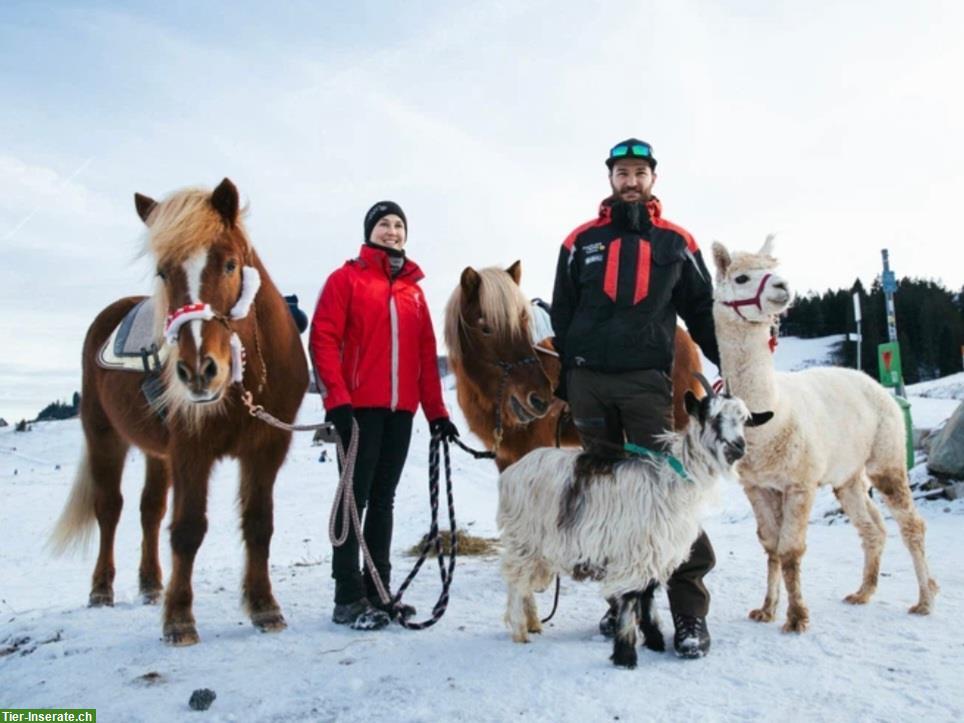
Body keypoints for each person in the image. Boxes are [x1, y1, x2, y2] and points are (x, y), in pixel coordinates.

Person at [550, 139, 721, 658]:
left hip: (647, 384)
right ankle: (622, 601)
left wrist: (730, 366)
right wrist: (569, 378)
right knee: (606, 500)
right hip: (589, 387)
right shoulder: (580, 240)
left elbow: (702, 311)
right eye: (622, 172)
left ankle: (688, 614)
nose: (631, 181)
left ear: (653, 179)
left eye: (639, 172)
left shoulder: (677, 242)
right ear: (610, 180)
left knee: (669, 495)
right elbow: (563, 313)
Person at [310, 200, 459, 630]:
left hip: (400, 413)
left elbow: (424, 358)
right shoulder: (346, 280)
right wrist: (335, 399)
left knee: (384, 500)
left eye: (398, 225)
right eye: (383, 224)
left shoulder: (413, 292)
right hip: (358, 410)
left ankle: (379, 589)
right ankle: (347, 595)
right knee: (353, 499)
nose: (392, 231)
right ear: (369, 232)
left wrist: (437, 413)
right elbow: (323, 339)